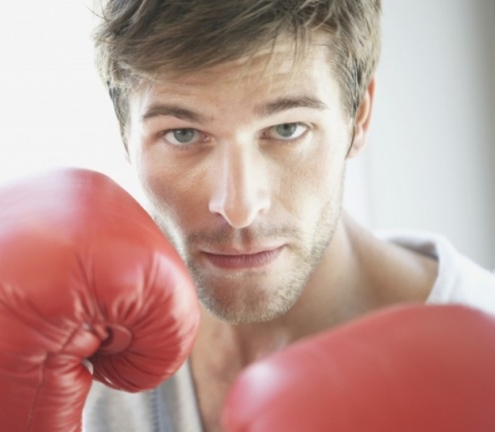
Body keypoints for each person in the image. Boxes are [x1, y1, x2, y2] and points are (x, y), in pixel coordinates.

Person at [84, 0, 495, 430]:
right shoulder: (76, 356)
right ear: (123, 131)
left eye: (286, 129)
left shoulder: (485, 360)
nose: (239, 208)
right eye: (183, 134)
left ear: (359, 115)